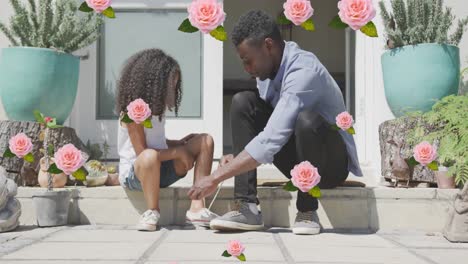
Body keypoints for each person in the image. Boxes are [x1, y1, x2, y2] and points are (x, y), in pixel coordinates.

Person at [188, 10, 363, 235]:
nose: (247, 69)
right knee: (243, 102)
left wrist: (215, 177)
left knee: (306, 120)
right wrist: (238, 156)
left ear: (268, 46)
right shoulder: (267, 72)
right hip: (297, 158)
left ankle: (307, 210)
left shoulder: (303, 71)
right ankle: (247, 207)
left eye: (248, 61)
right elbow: (269, 128)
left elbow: (272, 138)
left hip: (331, 165)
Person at [117, 48, 218, 231]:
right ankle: (152, 211)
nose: (173, 88)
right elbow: (143, 153)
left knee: (205, 140)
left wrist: (178, 143)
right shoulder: (132, 113)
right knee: (149, 157)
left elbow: (156, 143)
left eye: (175, 84)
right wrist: (177, 152)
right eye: (170, 83)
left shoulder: (156, 108)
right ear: (152, 82)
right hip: (137, 175)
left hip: (160, 169)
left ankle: (197, 206)